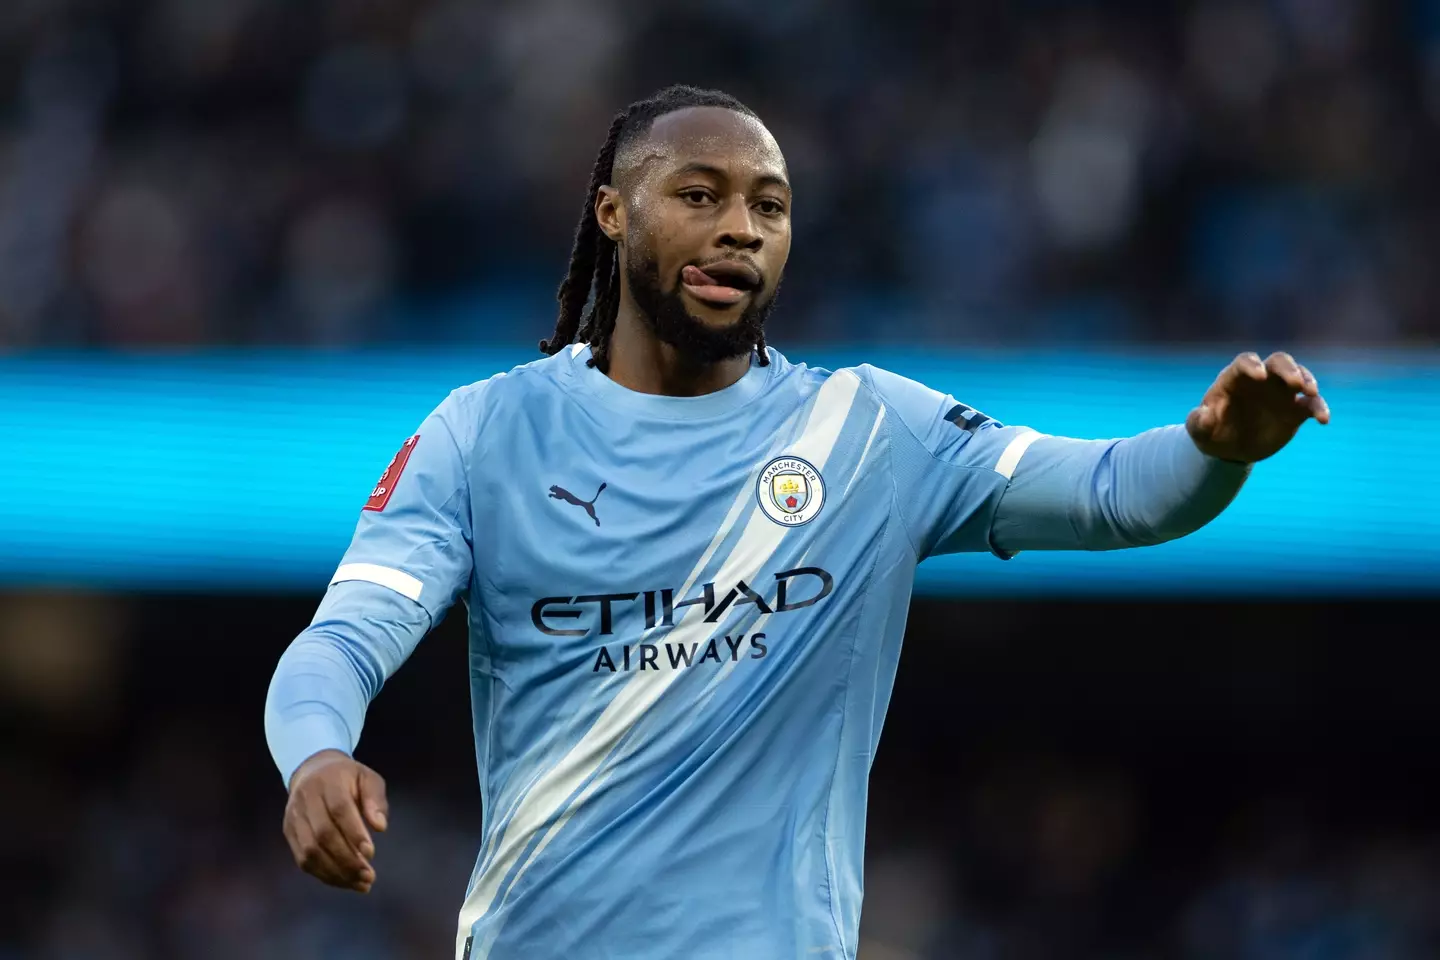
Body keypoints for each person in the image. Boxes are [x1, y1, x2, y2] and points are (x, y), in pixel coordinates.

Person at [264, 85, 1330, 960]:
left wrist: (1215, 449)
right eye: (699, 193)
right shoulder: (486, 432)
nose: (740, 227)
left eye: (769, 207)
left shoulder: (870, 433)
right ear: (612, 213)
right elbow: (344, 640)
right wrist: (317, 757)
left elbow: (1112, 494)